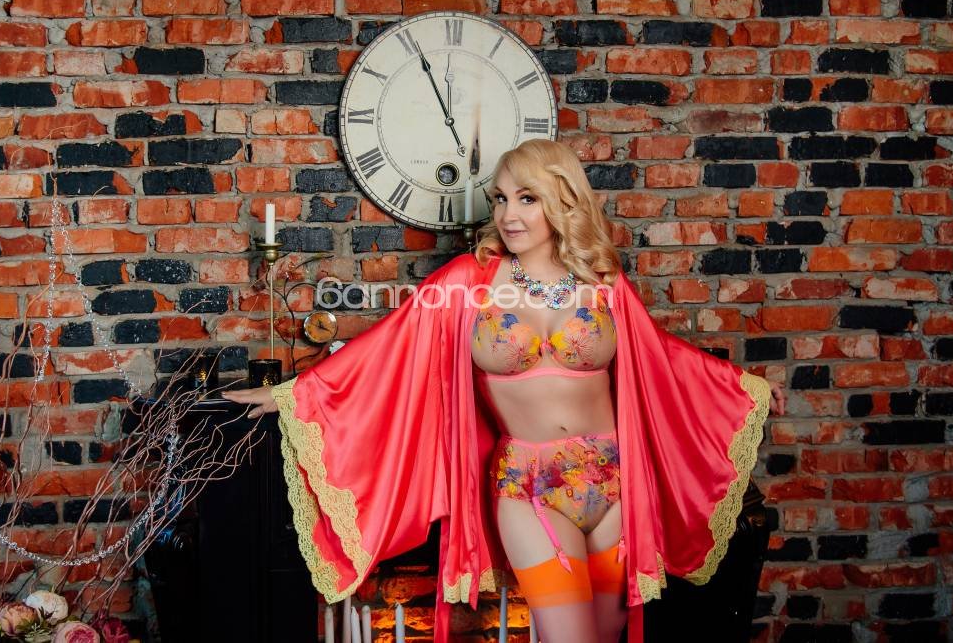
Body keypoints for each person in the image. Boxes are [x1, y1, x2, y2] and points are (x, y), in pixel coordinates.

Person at [224, 139, 786, 643]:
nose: (508, 214)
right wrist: (292, 394)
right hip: (529, 487)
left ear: (563, 200)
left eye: (526, 199)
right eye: (499, 199)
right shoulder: (466, 283)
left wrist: (747, 389)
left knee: (606, 634)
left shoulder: (604, 283)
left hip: (615, 482)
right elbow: (390, 346)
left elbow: (661, 357)